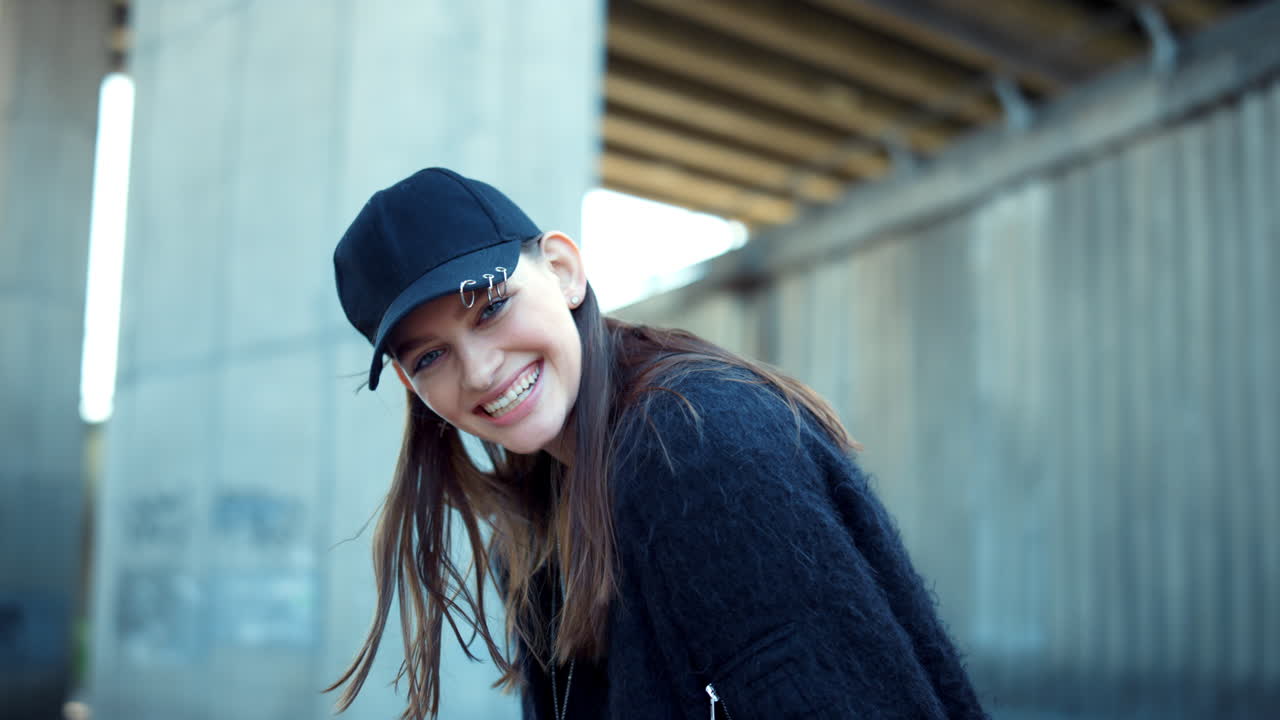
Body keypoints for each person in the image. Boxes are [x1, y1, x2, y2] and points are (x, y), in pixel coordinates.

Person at [327, 167, 987, 720]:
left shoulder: (693, 443)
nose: (478, 371)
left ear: (562, 270)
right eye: (431, 357)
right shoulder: (534, 523)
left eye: (492, 307)